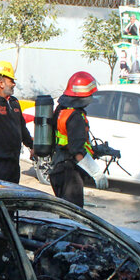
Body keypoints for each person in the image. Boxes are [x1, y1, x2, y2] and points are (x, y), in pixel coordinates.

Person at [48, 72, 97, 207]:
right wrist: (95, 172)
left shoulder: (61, 110)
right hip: (70, 173)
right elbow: (76, 150)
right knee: (72, 216)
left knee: (65, 212)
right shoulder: (75, 116)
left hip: (58, 168)